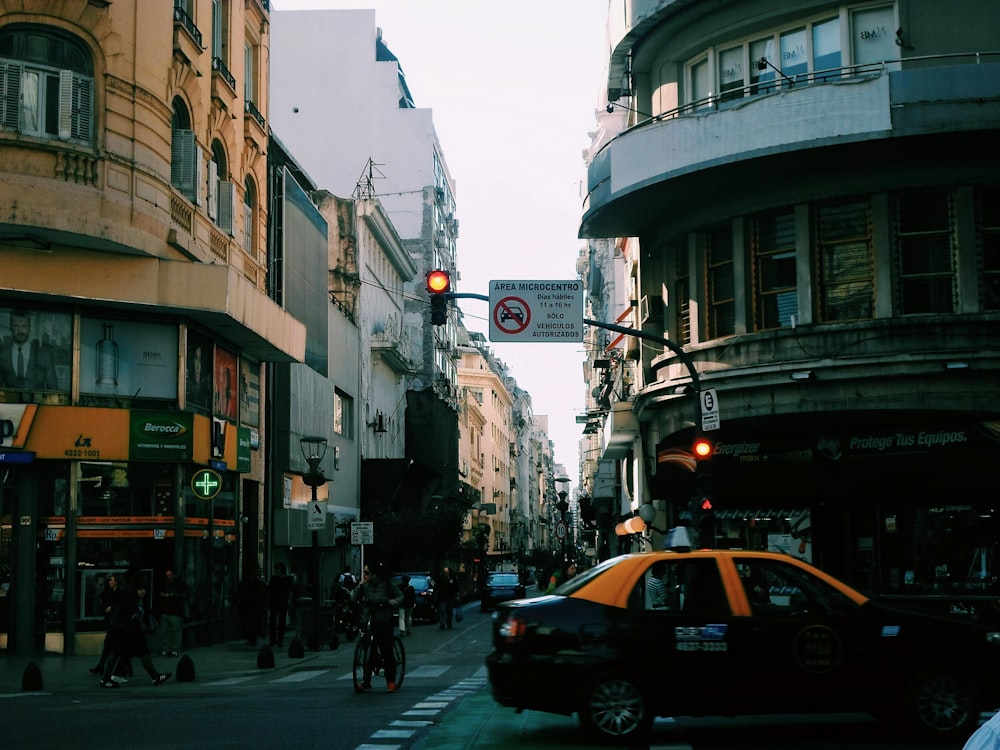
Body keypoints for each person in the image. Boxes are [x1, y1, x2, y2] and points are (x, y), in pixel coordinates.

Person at [99, 577, 170, 688]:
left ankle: (107, 678)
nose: (142, 591)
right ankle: (154, 676)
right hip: (127, 630)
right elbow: (132, 615)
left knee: (123, 653)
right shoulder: (129, 599)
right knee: (137, 652)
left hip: (125, 630)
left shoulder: (132, 598)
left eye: (144, 589)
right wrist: (141, 625)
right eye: (140, 589)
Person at [354, 562, 401, 692]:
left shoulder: (386, 583)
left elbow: (400, 595)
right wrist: (359, 587)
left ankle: (390, 681)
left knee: (386, 650)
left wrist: (394, 601)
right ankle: (366, 680)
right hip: (371, 619)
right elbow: (355, 598)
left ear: (375, 574)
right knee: (369, 651)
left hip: (385, 619)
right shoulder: (366, 585)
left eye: (366, 573)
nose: (364, 575)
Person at [0, 307, 58, 390]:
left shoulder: (45, 355)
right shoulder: (3, 356)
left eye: (24, 326)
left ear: (29, 327)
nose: (20, 331)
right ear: (11, 327)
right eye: (16, 326)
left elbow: (54, 392)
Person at [89, 572, 121, 675]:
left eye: (111, 580)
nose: (109, 582)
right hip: (112, 622)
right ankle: (102, 666)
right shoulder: (110, 592)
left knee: (113, 647)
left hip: (118, 624)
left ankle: (104, 668)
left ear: (116, 582)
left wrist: (112, 608)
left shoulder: (120, 594)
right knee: (109, 646)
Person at [158, 567, 187, 657]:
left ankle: (174, 649)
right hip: (166, 611)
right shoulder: (165, 584)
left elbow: (183, 596)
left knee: (175, 632)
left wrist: (170, 596)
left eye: (170, 575)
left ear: (174, 575)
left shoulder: (180, 584)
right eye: (167, 575)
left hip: (175, 612)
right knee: (165, 631)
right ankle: (166, 649)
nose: (168, 577)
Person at [237, 571, 267, 646]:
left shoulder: (252, 584)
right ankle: (252, 638)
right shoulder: (257, 584)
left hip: (251, 606)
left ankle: (252, 639)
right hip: (252, 606)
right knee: (251, 623)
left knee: (251, 623)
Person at [267, 562, 294, 648]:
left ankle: (279, 640)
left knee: (281, 622)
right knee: (273, 622)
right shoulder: (274, 579)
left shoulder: (286, 579)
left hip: (282, 602)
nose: (276, 571)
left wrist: (290, 601)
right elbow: (269, 589)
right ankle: (273, 640)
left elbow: (290, 591)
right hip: (274, 602)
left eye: (277, 570)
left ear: (281, 570)